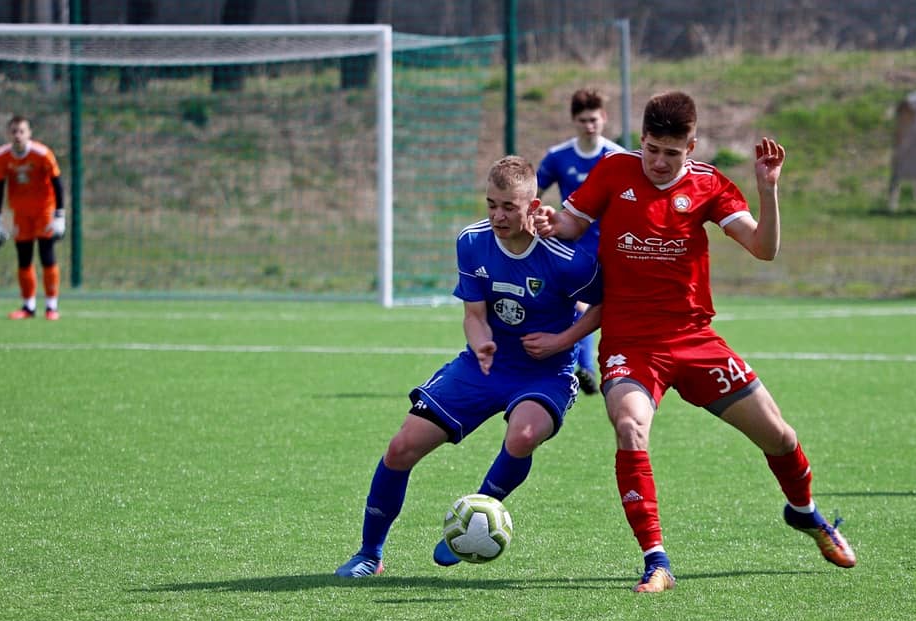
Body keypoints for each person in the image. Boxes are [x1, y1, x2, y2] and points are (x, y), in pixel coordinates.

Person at [533, 91, 856, 594]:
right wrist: (552, 222)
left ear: (692, 147)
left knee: (780, 437)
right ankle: (656, 561)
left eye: (671, 153)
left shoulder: (708, 184)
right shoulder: (615, 171)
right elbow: (572, 224)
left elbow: (763, 248)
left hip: (693, 339)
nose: (659, 162)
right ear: (641, 140)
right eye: (651, 149)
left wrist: (768, 189)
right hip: (630, 342)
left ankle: (804, 511)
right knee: (629, 426)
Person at [336, 155, 602, 578]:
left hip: (545, 372)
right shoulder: (473, 242)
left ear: (533, 207)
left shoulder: (567, 258)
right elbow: (474, 315)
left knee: (524, 435)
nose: (498, 216)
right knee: (401, 447)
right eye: (491, 204)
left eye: (509, 207)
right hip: (485, 365)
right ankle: (370, 553)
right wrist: (480, 343)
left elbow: (605, 306)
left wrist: (562, 341)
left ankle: (474, 521)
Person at [537, 88, 625, 396]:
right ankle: (582, 367)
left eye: (594, 119)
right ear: (574, 121)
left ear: (604, 118)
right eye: (583, 120)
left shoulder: (617, 157)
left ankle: (601, 367)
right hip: (573, 247)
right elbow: (532, 194)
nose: (590, 125)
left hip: (612, 247)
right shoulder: (558, 156)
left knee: (610, 309)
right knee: (580, 304)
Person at [0, 115, 66, 320]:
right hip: (21, 213)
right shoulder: (2, 156)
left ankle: (51, 306)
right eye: (14, 131)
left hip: (44, 210)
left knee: (46, 255)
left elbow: (57, 184)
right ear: (9, 134)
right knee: (24, 258)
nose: (18, 135)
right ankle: (28, 306)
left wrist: (60, 215)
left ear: (29, 133)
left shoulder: (42, 154)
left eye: (22, 131)